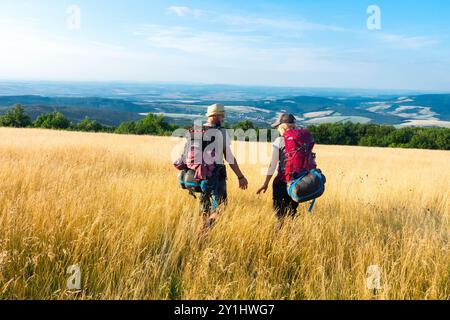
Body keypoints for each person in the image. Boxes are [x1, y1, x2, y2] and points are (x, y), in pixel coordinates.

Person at [198, 104, 248, 222]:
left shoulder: (197, 130)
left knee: (204, 208)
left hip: (199, 177)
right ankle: (205, 231)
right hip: (216, 177)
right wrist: (240, 176)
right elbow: (229, 157)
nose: (223, 118)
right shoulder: (221, 132)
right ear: (214, 116)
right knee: (220, 207)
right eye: (222, 116)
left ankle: (202, 231)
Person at [257, 114, 302, 219]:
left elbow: (272, 165)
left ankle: (280, 234)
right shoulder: (301, 141)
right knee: (292, 213)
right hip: (297, 184)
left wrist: (265, 183)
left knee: (279, 216)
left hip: (281, 183)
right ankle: (291, 234)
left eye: (278, 127)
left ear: (283, 127)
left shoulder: (279, 141)